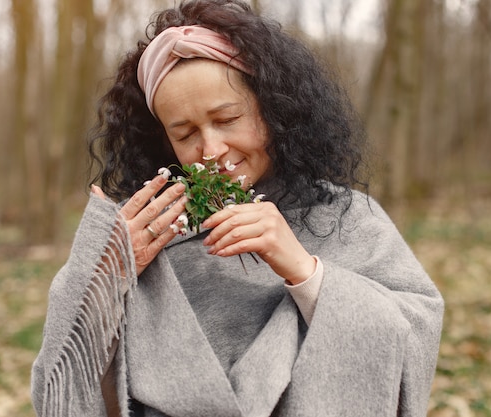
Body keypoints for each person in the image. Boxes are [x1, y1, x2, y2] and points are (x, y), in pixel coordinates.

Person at [31, 1, 444, 416]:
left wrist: (306, 273)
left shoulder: (347, 216)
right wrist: (105, 278)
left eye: (227, 119)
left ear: (273, 109)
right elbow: (66, 387)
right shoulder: (143, 232)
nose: (211, 150)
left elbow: (413, 336)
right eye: (186, 132)